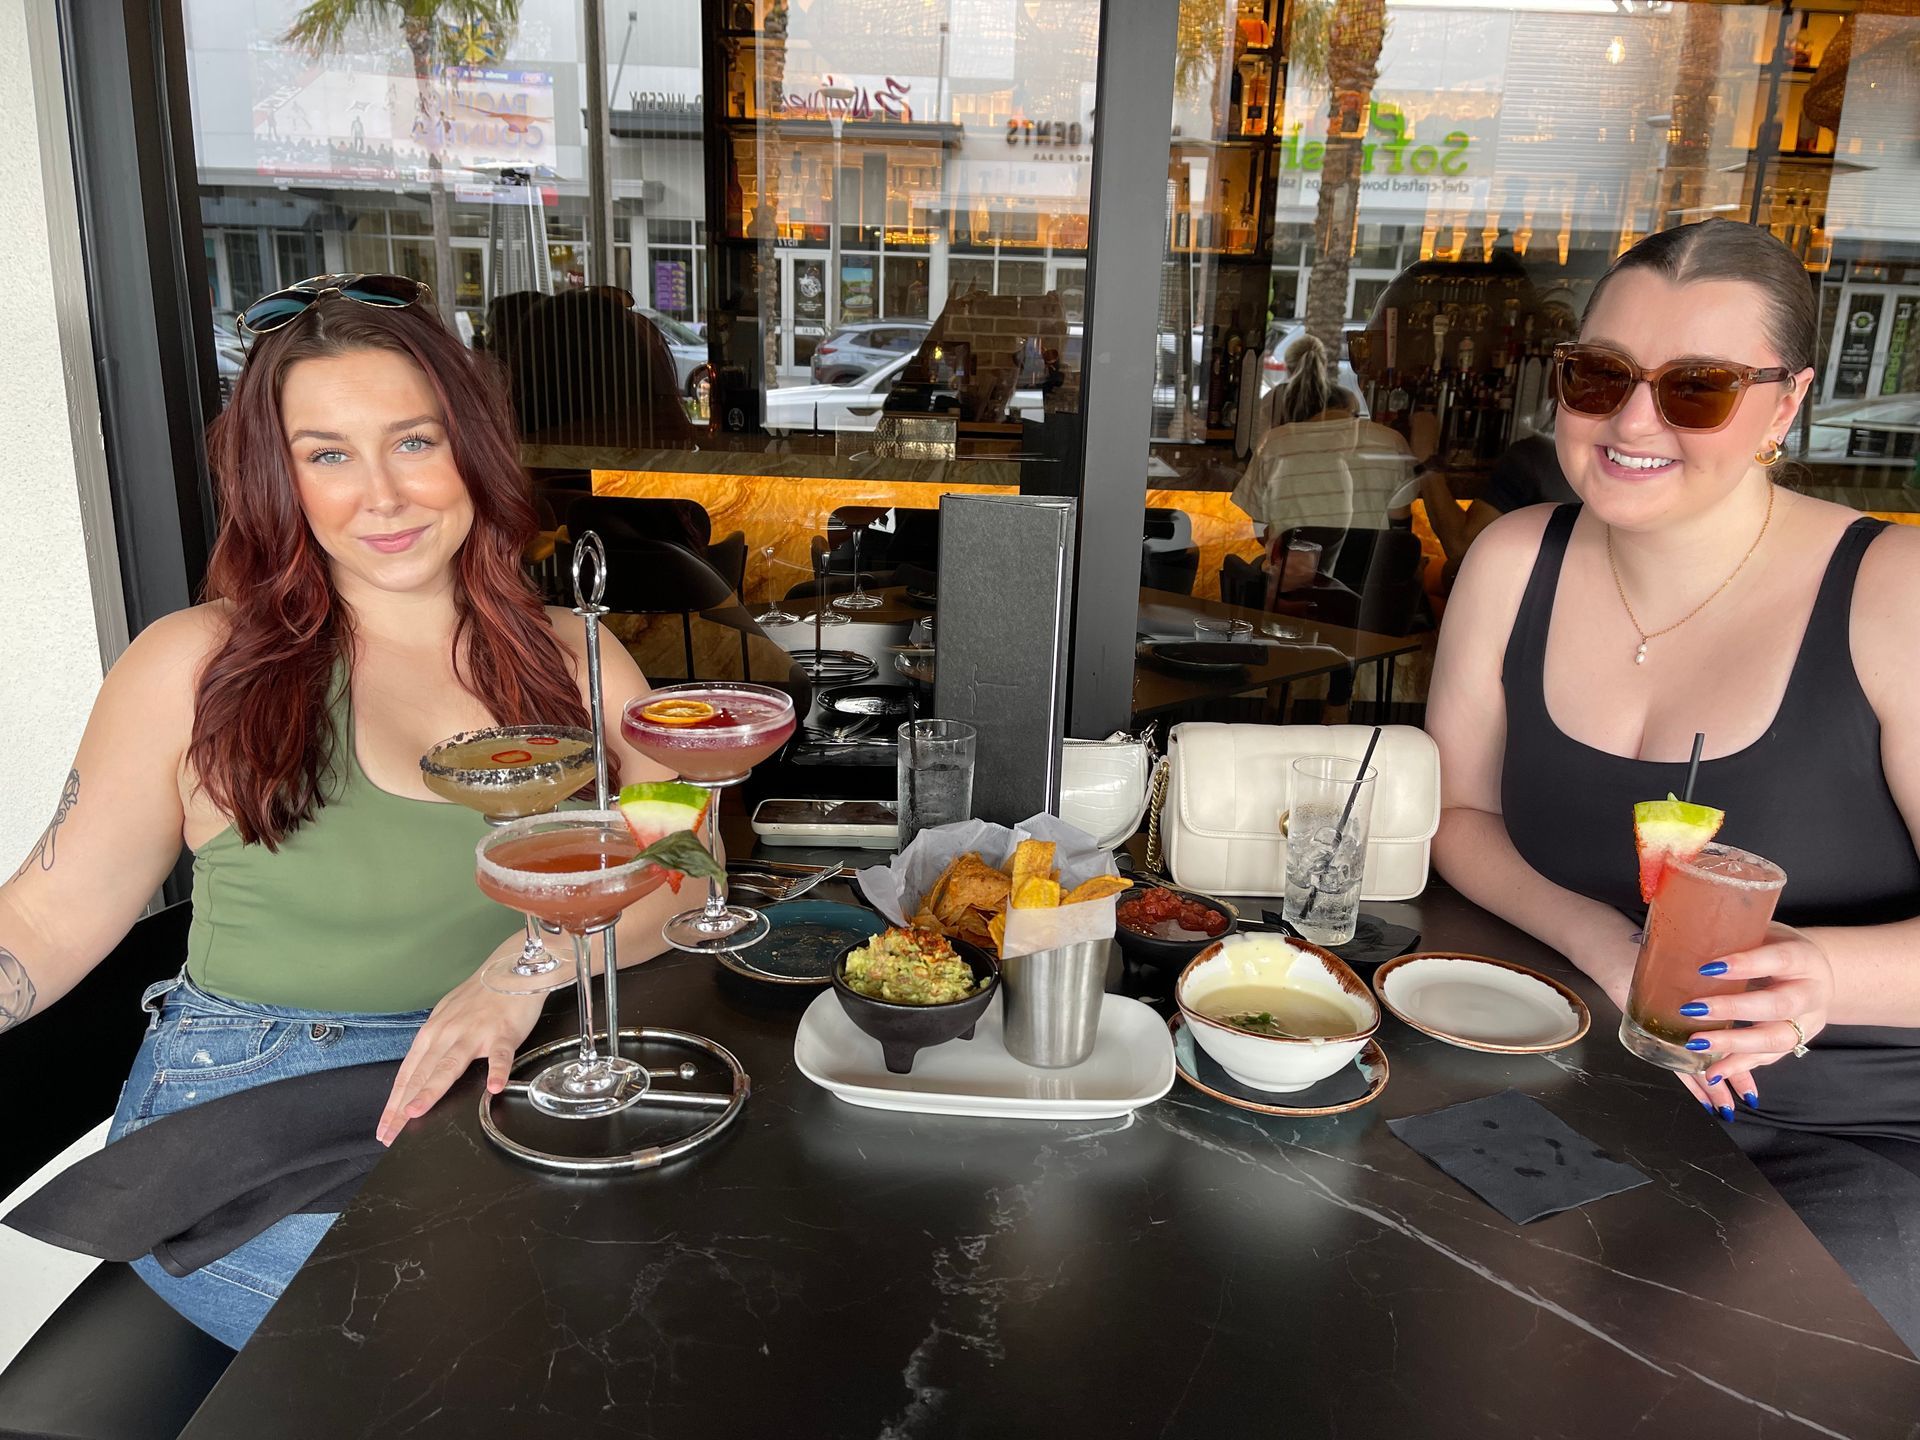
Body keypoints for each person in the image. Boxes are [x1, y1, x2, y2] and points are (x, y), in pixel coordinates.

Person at [0, 274, 695, 1348]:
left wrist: (524, 970)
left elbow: (688, 869)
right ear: (280, 479)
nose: (382, 495)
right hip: (257, 1119)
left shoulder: (580, 657)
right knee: (512, 1351)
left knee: (682, 1299)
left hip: (505, 1076)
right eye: (327, 454)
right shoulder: (194, 667)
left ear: (473, 448)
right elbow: (41, 926)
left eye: (414, 442)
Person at [1425, 219, 1920, 1349]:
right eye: (1601, 377)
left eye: (1695, 388)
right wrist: (1610, 946)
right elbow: (1462, 814)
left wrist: (1820, 974)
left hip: (1851, 1126)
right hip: (1585, 1074)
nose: (1633, 422)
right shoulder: (1515, 561)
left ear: (1785, 405)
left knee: (1666, 1357)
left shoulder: (1894, 592)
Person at [1233, 333, 1416, 597]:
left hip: (1292, 593)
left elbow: (1263, 531)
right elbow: (1400, 531)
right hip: (1370, 597)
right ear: (1351, 410)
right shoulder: (1391, 442)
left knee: (1256, 567)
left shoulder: (1274, 444)